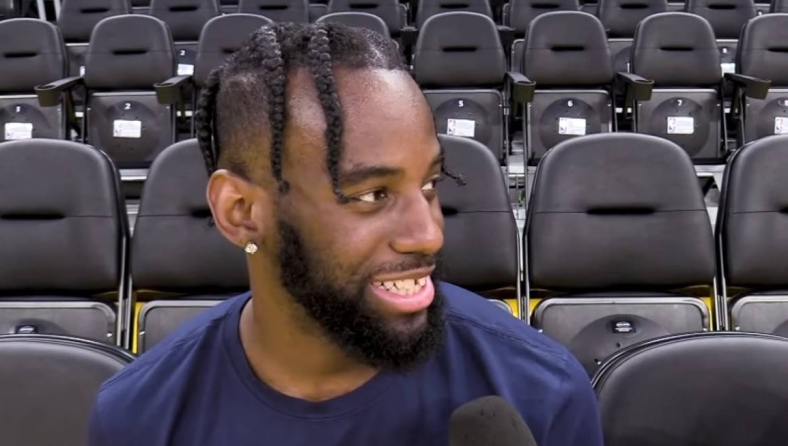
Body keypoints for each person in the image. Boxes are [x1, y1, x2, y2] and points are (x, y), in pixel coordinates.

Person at [87, 23, 604, 446]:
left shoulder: (540, 391)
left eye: (429, 185)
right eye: (372, 195)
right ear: (240, 212)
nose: (428, 235)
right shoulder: (139, 418)